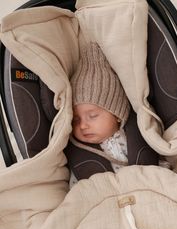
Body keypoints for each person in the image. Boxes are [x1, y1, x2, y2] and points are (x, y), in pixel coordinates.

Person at [65, 41, 160, 185]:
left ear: (116, 115)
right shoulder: (80, 153)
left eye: (92, 116)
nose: (83, 125)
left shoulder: (138, 134)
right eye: (76, 120)